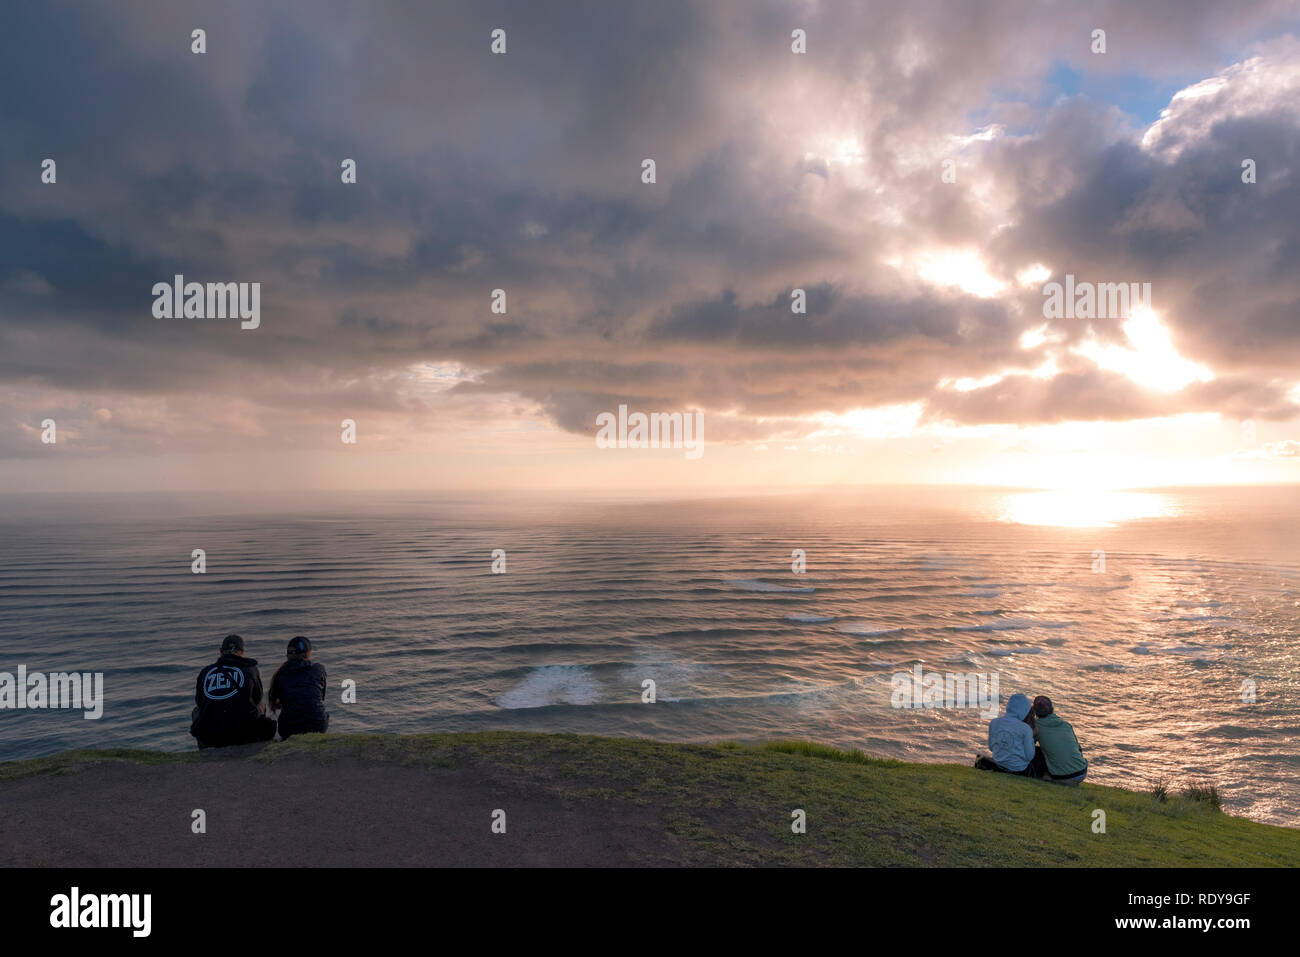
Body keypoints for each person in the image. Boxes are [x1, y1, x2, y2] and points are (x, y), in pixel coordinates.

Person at [190, 635, 277, 749]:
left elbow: (200, 702)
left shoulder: (205, 672)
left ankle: (204, 747)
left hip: (213, 735)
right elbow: (257, 697)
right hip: (242, 732)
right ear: (241, 652)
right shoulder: (250, 670)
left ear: (220, 651)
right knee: (261, 704)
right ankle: (255, 744)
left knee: (196, 710)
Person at [269, 636, 329, 739]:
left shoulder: (280, 674)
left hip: (288, 730)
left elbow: (275, 704)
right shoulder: (318, 669)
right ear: (307, 653)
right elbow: (320, 697)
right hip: (317, 726)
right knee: (322, 711)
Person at [978, 693, 1045, 776]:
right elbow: (1029, 756)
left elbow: (991, 748)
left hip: (999, 764)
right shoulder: (1026, 729)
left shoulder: (994, 722)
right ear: (1025, 710)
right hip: (1019, 769)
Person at [1032, 695, 1088, 784]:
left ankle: (1046, 776)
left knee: (1036, 751)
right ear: (1052, 708)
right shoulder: (1066, 725)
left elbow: (1028, 746)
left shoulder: (1036, 727)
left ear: (1034, 711)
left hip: (1062, 777)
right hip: (1082, 772)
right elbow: (1079, 749)